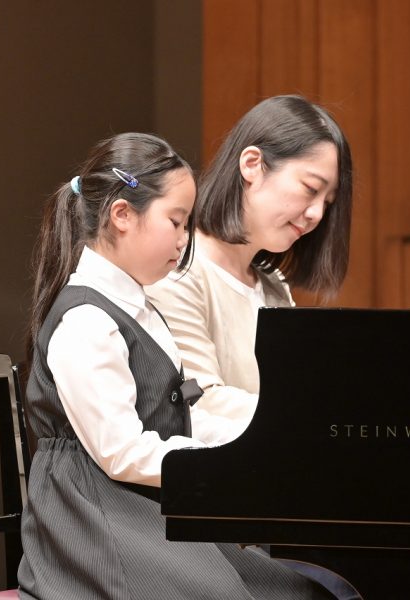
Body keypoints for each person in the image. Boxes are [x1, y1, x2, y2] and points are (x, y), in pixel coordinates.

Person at [17, 132, 334, 600]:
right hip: (93, 522)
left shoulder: (136, 304)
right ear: (122, 216)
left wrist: (243, 444)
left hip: (144, 506)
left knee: (296, 587)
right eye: (177, 222)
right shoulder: (87, 319)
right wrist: (220, 464)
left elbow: (178, 415)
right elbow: (119, 451)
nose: (185, 241)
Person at [145, 95, 359, 599]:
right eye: (310, 190)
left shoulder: (271, 284)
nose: (315, 213)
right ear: (253, 165)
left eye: (327, 202)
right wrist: (310, 424)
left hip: (261, 500)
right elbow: (198, 404)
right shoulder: (183, 273)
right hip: (207, 520)